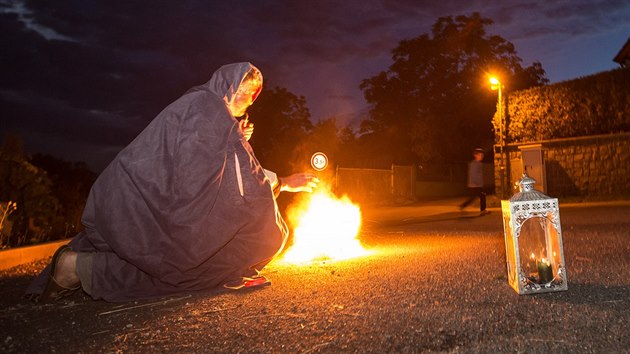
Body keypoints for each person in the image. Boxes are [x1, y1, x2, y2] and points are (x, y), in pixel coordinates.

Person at [25, 62, 318, 302]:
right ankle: (77, 268)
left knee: (183, 263)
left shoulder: (203, 107)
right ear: (228, 85)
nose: (247, 100)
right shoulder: (208, 110)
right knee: (189, 270)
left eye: (254, 96)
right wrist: (277, 181)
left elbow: (214, 168)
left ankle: (78, 265)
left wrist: (236, 139)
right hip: (141, 208)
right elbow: (209, 184)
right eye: (244, 91)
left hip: (122, 206)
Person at [459, 148, 487, 215]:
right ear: (476, 155)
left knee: (475, 197)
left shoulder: (479, 163)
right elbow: (473, 174)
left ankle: (463, 206)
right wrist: (476, 183)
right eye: (480, 155)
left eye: (482, 155)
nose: (481, 156)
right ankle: (483, 210)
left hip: (477, 184)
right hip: (475, 184)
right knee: (481, 196)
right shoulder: (474, 164)